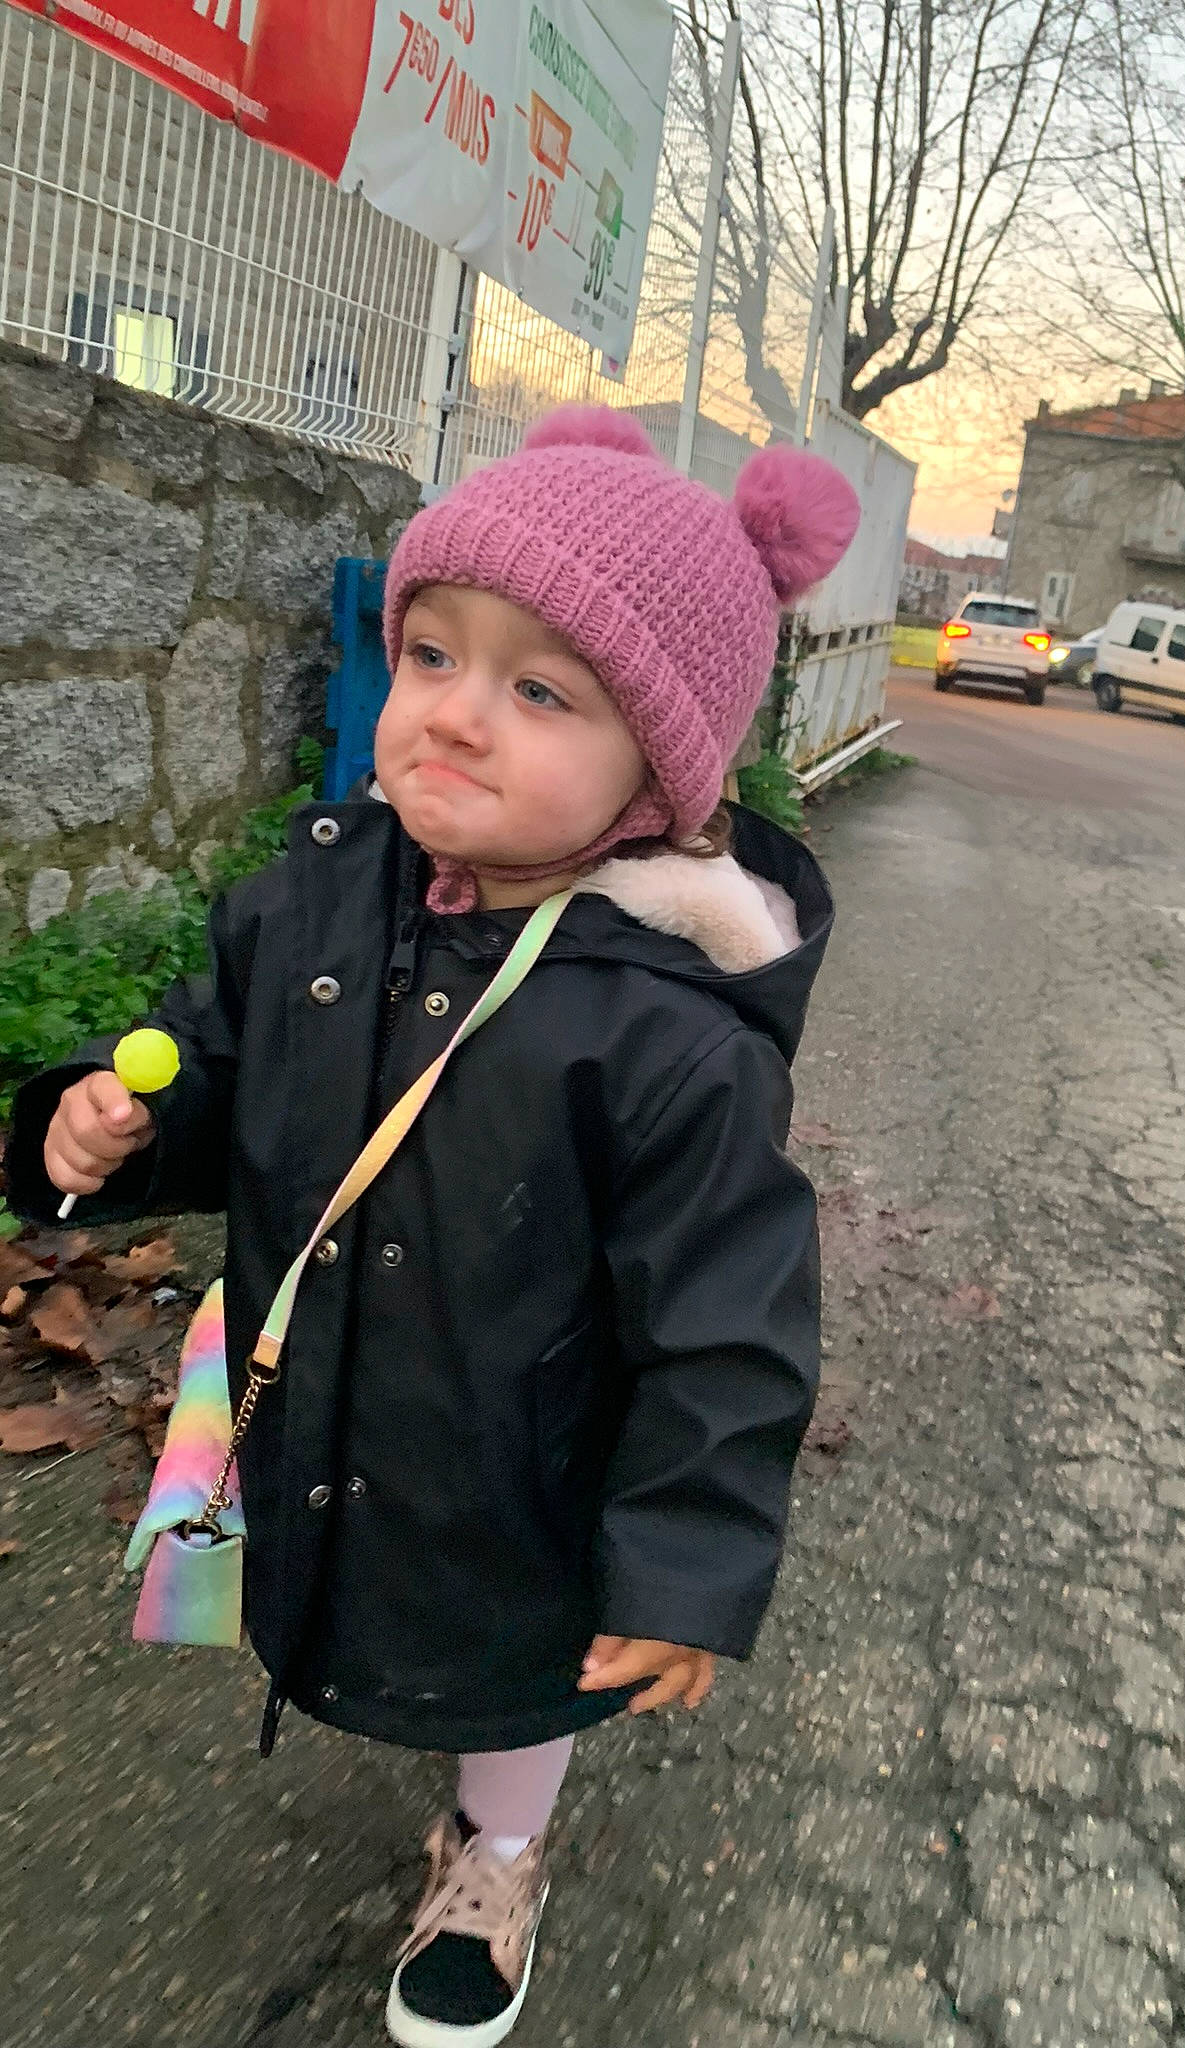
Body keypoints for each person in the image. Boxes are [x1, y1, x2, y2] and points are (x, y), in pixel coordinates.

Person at [8, 407, 860, 2047]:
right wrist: (107, 1128)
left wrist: (681, 1563)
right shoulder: (308, 895)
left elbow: (730, 1321)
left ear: (660, 767)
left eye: (540, 690)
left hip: (519, 1444)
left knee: (507, 1668)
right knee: (361, 1595)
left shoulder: (674, 1031)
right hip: (327, 1378)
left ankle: (499, 1849)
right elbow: (225, 1071)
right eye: (430, 654)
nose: (456, 717)